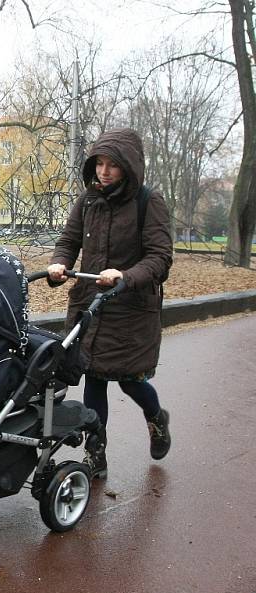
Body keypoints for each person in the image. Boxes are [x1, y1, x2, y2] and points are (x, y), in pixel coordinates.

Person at [47, 128, 173, 479]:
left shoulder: (149, 202)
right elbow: (69, 240)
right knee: (94, 379)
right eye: (99, 164)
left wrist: (124, 276)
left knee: (131, 380)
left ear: (129, 167)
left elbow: (160, 258)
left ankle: (157, 417)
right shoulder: (88, 201)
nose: (103, 172)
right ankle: (95, 453)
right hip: (90, 305)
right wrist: (60, 263)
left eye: (112, 165)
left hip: (129, 310)